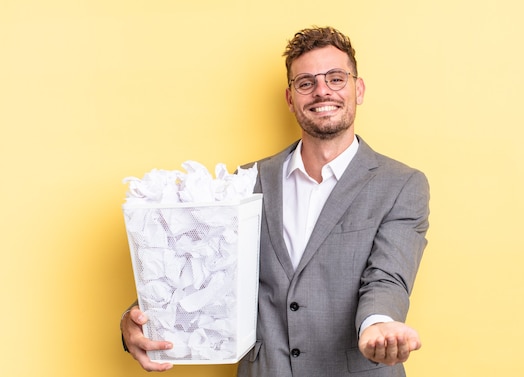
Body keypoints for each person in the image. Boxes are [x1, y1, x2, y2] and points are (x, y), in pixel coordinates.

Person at [120, 26, 430, 377]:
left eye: (336, 78)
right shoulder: (245, 181)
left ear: (358, 89)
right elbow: (200, 270)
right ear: (290, 97)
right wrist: (141, 318)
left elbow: (387, 278)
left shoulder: (401, 185)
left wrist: (378, 325)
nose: (322, 90)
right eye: (306, 82)